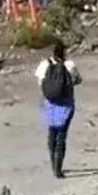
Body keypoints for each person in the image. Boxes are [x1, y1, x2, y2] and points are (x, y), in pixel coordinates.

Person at [35, 39, 82, 179]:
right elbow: (78, 80)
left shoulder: (44, 65)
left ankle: (52, 162)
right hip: (66, 104)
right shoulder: (69, 65)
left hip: (50, 103)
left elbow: (40, 81)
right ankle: (58, 168)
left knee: (52, 133)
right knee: (62, 135)